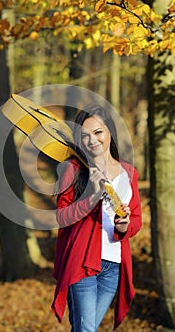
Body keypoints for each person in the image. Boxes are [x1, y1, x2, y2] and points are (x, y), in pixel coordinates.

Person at [51, 103, 142, 331]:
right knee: (86, 329)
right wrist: (91, 197)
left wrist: (124, 226)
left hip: (113, 264)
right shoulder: (73, 169)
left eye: (98, 132)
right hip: (83, 261)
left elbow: (137, 218)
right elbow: (61, 217)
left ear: (110, 131)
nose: (92, 140)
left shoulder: (128, 173)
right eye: (85, 136)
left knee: (83, 328)